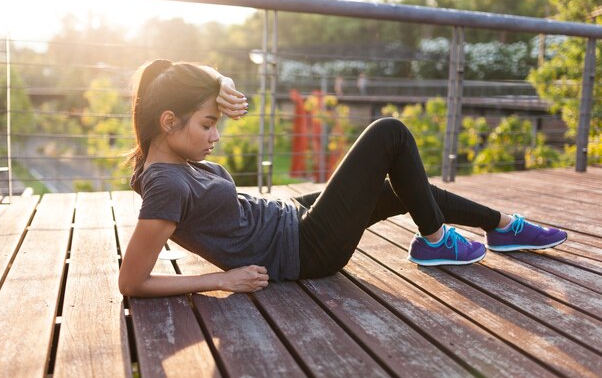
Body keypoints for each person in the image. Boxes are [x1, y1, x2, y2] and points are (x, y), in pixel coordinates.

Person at [118, 59, 567, 297]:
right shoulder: (167, 184)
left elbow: (179, 76)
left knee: (397, 188)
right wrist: (220, 281)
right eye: (207, 124)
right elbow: (133, 282)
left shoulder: (164, 157)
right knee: (388, 133)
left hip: (290, 220)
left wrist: (221, 81)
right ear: (170, 120)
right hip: (304, 250)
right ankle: (435, 240)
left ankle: (502, 226)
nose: (216, 135)